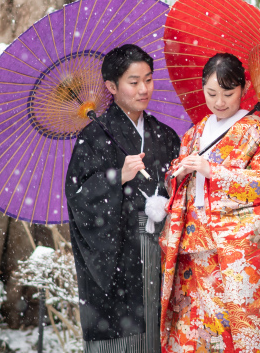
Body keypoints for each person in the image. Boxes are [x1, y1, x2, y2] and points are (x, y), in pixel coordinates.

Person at [159, 53, 260, 353]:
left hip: (232, 248)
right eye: (211, 93)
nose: (219, 102)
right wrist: (179, 172)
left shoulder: (252, 131)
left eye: (228, 94)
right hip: (191, 243)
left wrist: (213, 170)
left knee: (230, 326)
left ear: (243, 89)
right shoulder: (195, 132)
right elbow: (173, 181)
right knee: (194, 325)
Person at [66, 44, 182, 353]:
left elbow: (181, 191)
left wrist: (167, 201)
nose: (144, 89)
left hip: (160, 247)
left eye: (149, 79)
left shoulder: (166, 136)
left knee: (158, 333)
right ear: (111, 87)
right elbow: (78, 198)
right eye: (134, 81)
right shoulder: (93, 137)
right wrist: (117, 177)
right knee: (121, 336)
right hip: (117, 254)